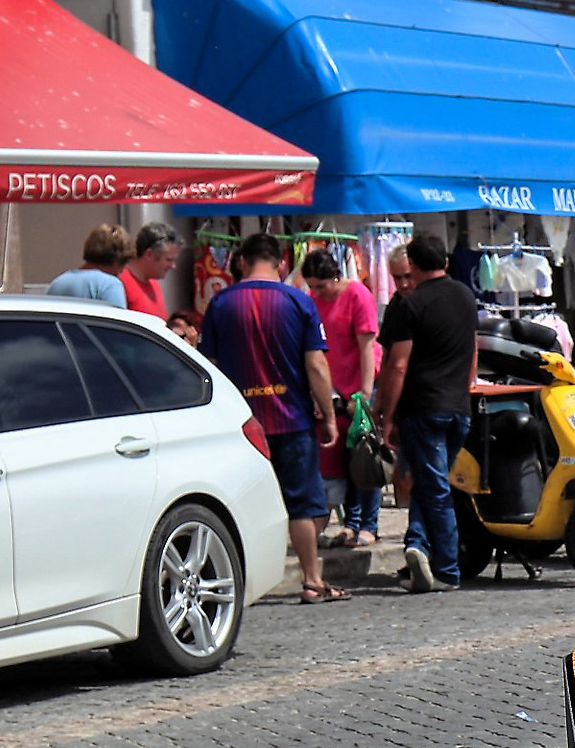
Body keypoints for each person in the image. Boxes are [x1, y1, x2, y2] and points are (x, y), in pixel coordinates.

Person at [203, 234, 342, 602]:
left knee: (240, 504)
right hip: (292, 419)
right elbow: (316, 365)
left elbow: (210, 367)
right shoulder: (298, 301)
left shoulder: (220, 304)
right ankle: (312, 580)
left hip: (241, 426)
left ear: (242, 261)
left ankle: (240, 582)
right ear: (281, 263)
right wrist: (328, 414)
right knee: (302, 505)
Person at [376, 233, 479, 595]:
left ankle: (447, 570)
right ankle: (417, 547)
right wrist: (465, 387)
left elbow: (397, 365)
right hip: (458, 408)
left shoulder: (411, 305)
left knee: (435, 490)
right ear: (446, 262)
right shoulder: (465, 296)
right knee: (427, 482)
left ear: (415, 267)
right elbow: (473, 350)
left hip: (423, 409)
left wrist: (387, 415)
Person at [299, 249, 383, 550]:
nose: (317, 292)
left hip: (358, 385)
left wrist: (365, 392)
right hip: (331, 389)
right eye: (312, 286)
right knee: (341, 461)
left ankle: (369, 524)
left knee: (364, 456)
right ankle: (351, 522)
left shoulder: (357, 295)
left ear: (335, 276)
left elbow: (366, 347)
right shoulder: (312, 301)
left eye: (321, 286)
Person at [45, 224, 131, 306]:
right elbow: (116, 316)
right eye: (124, 263)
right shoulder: (109, 285)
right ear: (117, 260)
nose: (122, 271)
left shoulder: (58, 283)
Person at [119, 223, 179, 319]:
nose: (173, 266)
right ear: (149, 254)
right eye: (168, 260)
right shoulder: (120, 283)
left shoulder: (154, 285)